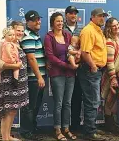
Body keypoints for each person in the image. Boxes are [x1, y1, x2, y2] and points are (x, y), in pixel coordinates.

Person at [44, 12, 77, 141]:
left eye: (61, 21)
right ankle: (57, 129)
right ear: (52, 23)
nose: (60, 23)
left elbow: (73, 49)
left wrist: (75, 63)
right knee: (58, 103)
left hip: (70, 74)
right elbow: (50, 56)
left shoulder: (67, 35)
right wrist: (65, 65)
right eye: (57, 21)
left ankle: (66, 128)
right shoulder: (49, 37)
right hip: (57, 73)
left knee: (67, 103)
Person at [0, 21, 29, 141]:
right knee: (7, 111)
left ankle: (8, 135)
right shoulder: (1, 43)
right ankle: (4, 138)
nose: (19, 33)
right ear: (11, 30)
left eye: (21, 31)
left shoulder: (18, 43)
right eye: (17, 30)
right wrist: (14, 67)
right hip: (7, 83)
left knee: (13, 110)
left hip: (19, 84)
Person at [78, 8, 108, 141]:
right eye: (100, 16)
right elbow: (85, 52)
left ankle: (91, 128)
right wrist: (94, 66)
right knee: (92, 101)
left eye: (104, 16)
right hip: (90, 70)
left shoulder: (97, 30)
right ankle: (90, 132)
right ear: (93, 17)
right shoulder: (88, 30)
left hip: (96, 71)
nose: (103, 18)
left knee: (94, 100)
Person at [20, 10, 46, 140]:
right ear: (27, 22)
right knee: (30, 106)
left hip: (38, 77)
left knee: (35, 105)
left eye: (39, 19)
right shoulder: (28, 36)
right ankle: (26, 131)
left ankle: (31, 127)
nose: (38, 21)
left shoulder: (34, 35)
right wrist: (39, 77)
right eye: (35, 19)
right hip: (33, 78)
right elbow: (31, 59)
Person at [101, 17, 119, 133]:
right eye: (113, 26)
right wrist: (113, 78)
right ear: (109, 29)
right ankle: (109, 125)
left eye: (117, 25)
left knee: (114, 99)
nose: (116, 27)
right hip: (112, 76)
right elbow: (109, 62)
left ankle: (112, 124)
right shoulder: (109, 42)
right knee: (109, 100)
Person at [64, 6, 83, 132]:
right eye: (70, 13)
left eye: (75, 13)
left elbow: (86, 46)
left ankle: (75, 126)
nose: (73, 15)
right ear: (66, 15)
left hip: (80, 69)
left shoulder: (82, 29)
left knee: (77, 97)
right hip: (64, 69)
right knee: (65, 100)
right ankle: (63, 126)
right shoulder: (60, 28)